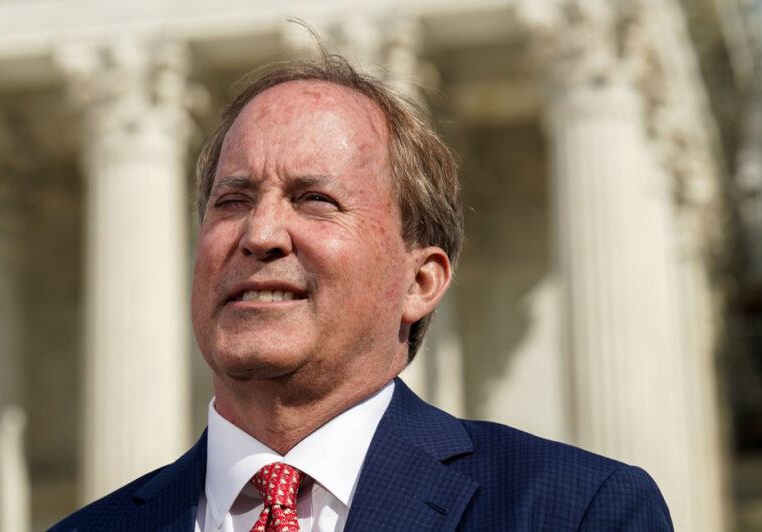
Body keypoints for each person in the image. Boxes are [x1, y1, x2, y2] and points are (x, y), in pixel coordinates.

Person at [49, 44, 673, 531]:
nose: (260, 233)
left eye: (315, 200)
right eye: (232, 200)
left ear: (420, 281)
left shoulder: (573, 513)